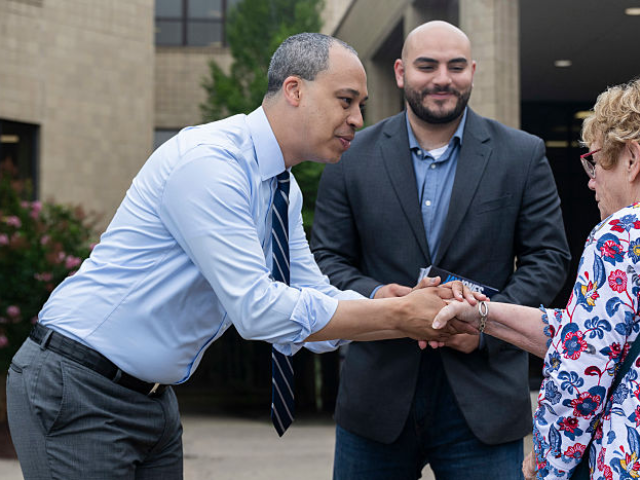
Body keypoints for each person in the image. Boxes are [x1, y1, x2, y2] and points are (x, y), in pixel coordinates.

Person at [5, 33, 468, 480]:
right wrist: (397, 314)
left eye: (360, 106)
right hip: (80, 383)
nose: (357, 120)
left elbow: (311, 297)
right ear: (294, 90)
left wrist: (391, 308)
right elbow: (258, 309)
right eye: (346, 100)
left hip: (152, 398)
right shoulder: (211, 164)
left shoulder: (282, 190)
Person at [310, 21, 571, 479]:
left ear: (472, 71)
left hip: (484, 396)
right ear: (399, 71)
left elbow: (548, 258)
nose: (442, 79)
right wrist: (380, 301)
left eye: (455, 66)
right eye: (426, 66)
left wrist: (485, 324)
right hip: (377, 394)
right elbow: (326, 259)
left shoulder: (522, 154)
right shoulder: (350, 154)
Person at [433, 78, 640, 479]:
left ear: (632, 159)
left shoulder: (622, 234)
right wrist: (482, 314)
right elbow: (590, 335)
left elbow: (580, 375)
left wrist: (547, 460)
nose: (591, 180)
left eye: (595, 161)